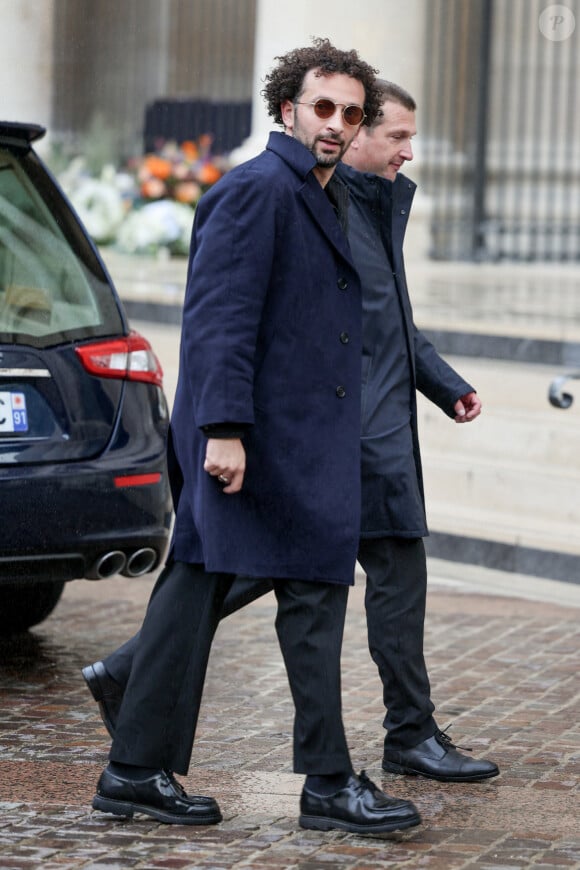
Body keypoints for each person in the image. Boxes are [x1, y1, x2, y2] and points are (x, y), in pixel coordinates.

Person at [84, 79, 499, 788]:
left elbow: (384, 325)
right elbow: (221, 321)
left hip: (330, 433)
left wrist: (444, 386)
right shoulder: (273, 193)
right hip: (314, 438)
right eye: (390, 133)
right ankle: (353, 765)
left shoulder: (349, 202)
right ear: (291, 112)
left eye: (355, 114)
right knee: (263, 583)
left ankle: (333, 769)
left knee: (274, 585)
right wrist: (224, 429)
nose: (404, 148)